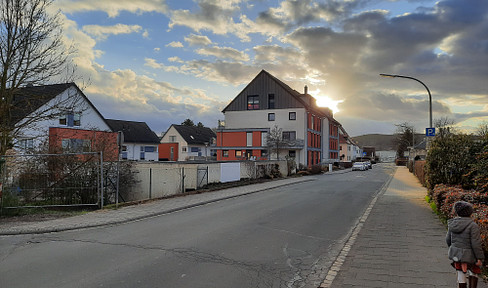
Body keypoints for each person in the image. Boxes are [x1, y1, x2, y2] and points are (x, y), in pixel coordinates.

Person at [446, 201, 484, 288]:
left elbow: (448, 239)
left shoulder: (453, 224)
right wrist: (479, 257)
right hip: (470, 255)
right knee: (473, 272)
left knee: (460, 272)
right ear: (470, 212)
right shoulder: (473, 225)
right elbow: (476, 243)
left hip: (457, 254)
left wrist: (453, 248)